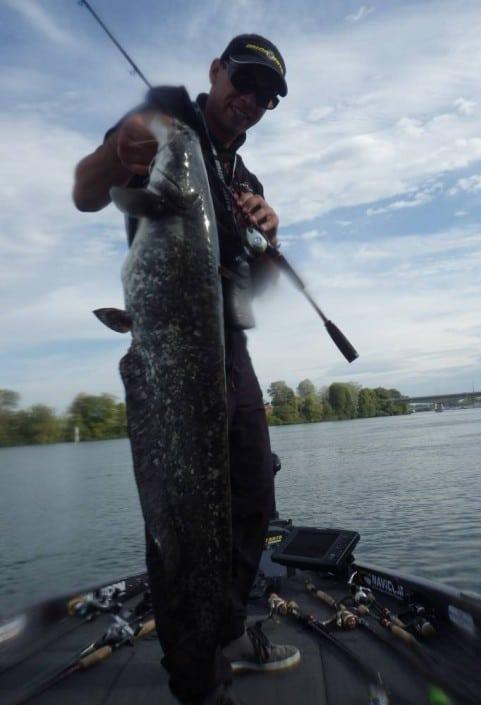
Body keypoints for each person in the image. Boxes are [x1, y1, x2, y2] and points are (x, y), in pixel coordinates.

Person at [73, 34, 300, 705]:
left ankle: (221, 632)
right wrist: (119, 153)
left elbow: (256, 290)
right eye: (244, 83)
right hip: (167, 344)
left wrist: (269, 233)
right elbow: (88, 193)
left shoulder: (245, 180)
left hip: (228, 349)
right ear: (215, 73)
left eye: (266, 96)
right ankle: (195, 679)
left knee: (253, 495)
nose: (252, 101)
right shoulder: (164, 121)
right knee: (178, 508)